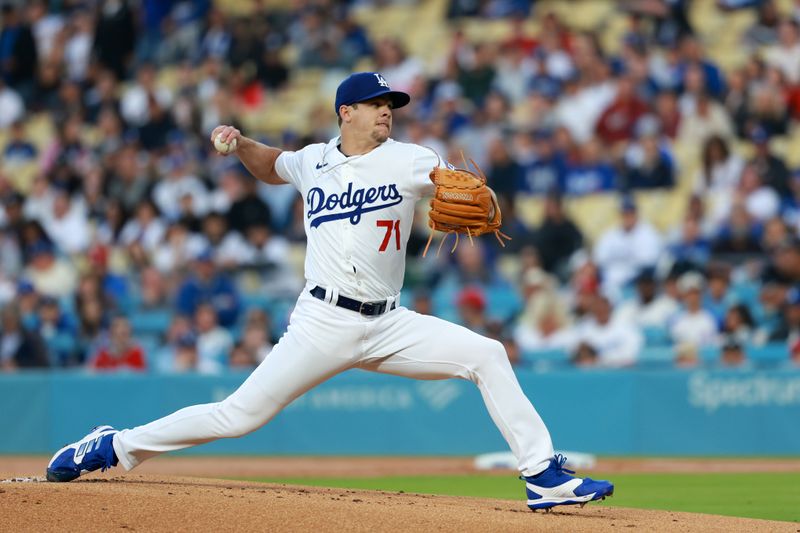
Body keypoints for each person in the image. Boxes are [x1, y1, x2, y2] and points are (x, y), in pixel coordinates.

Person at [46, 72, 613, 510]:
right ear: (348, 111)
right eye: (377, 104)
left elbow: (455, 187)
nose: (388, 111)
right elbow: (273, 166)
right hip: (322, 322)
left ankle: (542, 476)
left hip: (389, 322)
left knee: (487, 354)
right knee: (237, 416)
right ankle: (113, 446)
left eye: (391, 105)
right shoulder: (314, 160)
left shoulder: (411, 159)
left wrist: (469, 194)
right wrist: (242, 142)